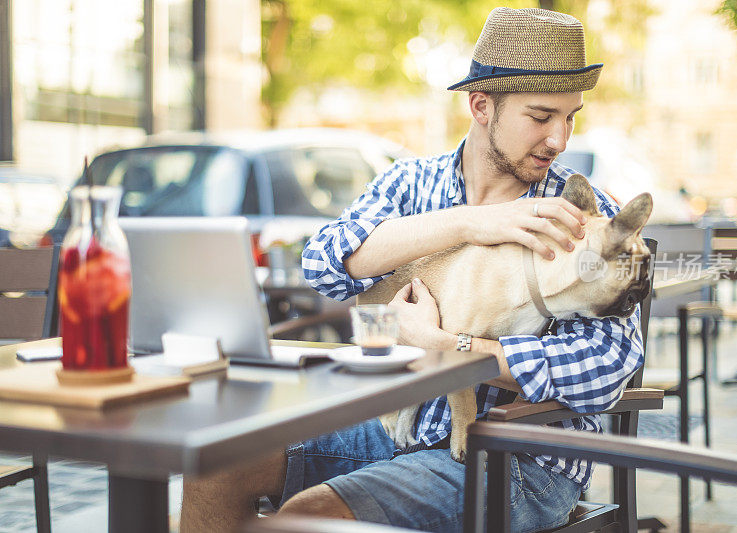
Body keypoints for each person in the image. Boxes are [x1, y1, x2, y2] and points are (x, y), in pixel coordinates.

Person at [181, 7, 644, 533]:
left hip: (515, 456)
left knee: (307, 519)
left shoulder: (579, 211)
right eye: (542, 117)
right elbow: (324, 265)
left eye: (570, 118)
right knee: (214, 461)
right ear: (481, 106)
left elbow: (611, 361)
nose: (559, 139)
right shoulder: (410, 185)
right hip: (387, 429)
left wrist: (449, 348)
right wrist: (470, 223)